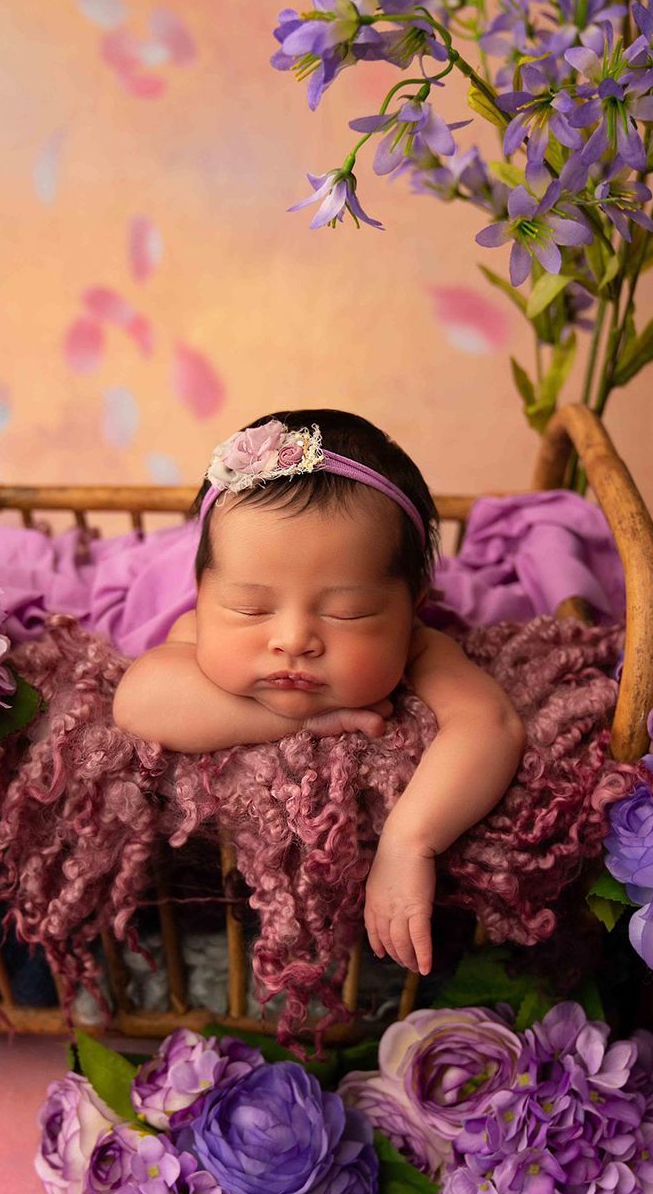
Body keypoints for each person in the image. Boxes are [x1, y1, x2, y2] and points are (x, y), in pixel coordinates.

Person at [112, 409, 525, 977]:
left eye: (347, 613)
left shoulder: (423, 647)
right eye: (251, 608)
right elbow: (139, 702)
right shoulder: (201, 629)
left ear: (413, 609)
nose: (293, 639)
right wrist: (299, 723)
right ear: (202, 595)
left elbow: (491, 725)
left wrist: (410, 842)